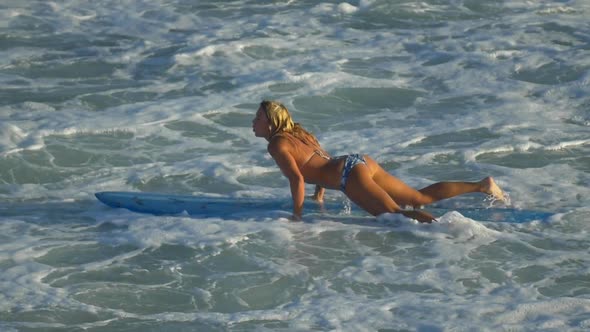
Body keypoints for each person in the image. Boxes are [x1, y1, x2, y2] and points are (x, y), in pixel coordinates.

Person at [252, 100, 507, 223]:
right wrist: (319, 196)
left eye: (258, 118)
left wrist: (297, 217)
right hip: (358, 162)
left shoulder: (277, 144)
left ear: (271, 123)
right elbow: (318, 159)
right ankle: (481, 186)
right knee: (417, 198)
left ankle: (450, 232)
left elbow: (297, 177)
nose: (253, 122)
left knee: (395, 216)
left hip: (348, 176)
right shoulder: (298, 133)